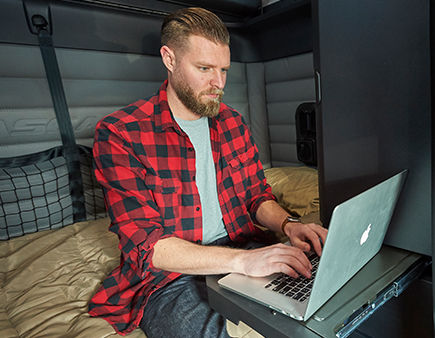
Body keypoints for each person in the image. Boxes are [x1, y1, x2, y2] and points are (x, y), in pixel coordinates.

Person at [88, 7, 328, 337]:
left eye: (224, 70)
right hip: (171, 277)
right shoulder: (120, 134)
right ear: (169, 59)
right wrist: (243, 263)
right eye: (204, 68)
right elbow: (148, 246)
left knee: (319, 298)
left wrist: (289, 225)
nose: (219, 83)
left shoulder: (232, 122)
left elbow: (257, 196)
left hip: (242, 248)